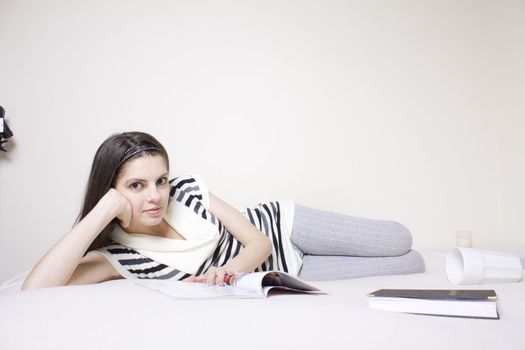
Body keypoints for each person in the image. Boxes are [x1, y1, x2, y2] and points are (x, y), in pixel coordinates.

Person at [21, 132, 424, 290]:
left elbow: (258, 238)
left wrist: (226, 271)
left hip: (283, 228)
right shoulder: (120, 258)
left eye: (160, 180)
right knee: (412, 265)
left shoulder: (187, 190)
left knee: (399, 241)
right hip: (280, 274)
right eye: (136, 186)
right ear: (112, 190)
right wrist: (104, 207)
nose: (156, 196)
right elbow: (35, 288)